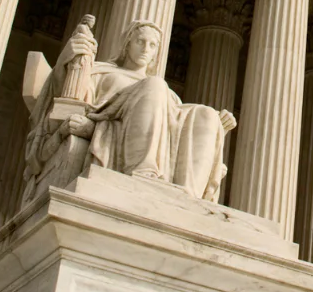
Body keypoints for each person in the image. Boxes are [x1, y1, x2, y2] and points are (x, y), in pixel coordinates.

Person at [27, 20, 232, 201]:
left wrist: (217, 132)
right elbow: (69, 101)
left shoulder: (168, 95)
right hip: (113, 130)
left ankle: (187, 199)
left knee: (207, 114)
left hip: (149, 125)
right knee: (155, 85)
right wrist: (66, 60)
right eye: (140, 41)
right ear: (127, 45)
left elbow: (175, 130)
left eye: (152, 45)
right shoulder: (102, 73)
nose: (145, 49)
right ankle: (143, 172)